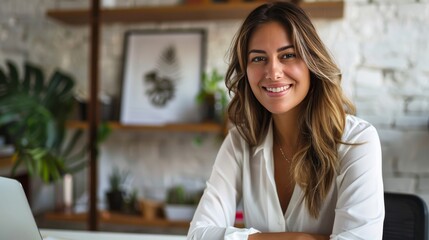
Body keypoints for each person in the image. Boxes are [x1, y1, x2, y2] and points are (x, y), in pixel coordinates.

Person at [187, 2, 384, 240]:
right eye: (258, 59)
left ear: (312, 62)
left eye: (288, 55)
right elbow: (198, 235)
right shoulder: (240, 141)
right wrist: (301, 239)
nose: (273, 71)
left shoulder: (357, 141)